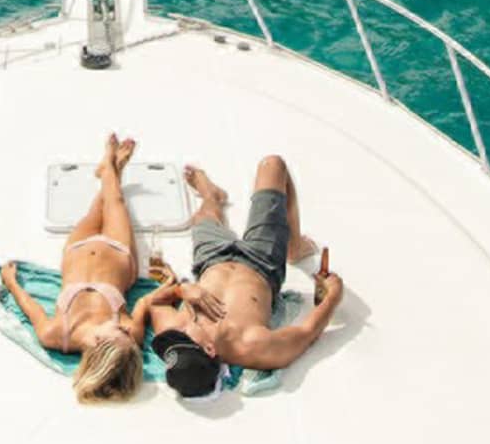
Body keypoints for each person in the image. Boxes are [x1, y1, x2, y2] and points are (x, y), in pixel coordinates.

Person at [135, 156, 343, 397]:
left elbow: (156, 302)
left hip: (211, 259)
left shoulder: (175, 327)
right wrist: (334, 297)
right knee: (273, 166)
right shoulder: (252, 345)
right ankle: (293, 246)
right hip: (261, 261)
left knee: (202, 218)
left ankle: (211, 195)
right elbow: (308, 332)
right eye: (181, 340)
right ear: (210, 349)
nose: (175, 336)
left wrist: (183, 291)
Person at [0, 132, 146, 403]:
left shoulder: (55, 335)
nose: (128, 331)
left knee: (96, 210)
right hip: (119, 252)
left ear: (100, 345)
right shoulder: (129, 338)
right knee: (115, 203)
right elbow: (145, 305)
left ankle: (110, 171)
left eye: (122, 333)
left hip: (77, 251)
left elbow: (30, 307)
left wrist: (11, 283)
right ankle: (110, 167)